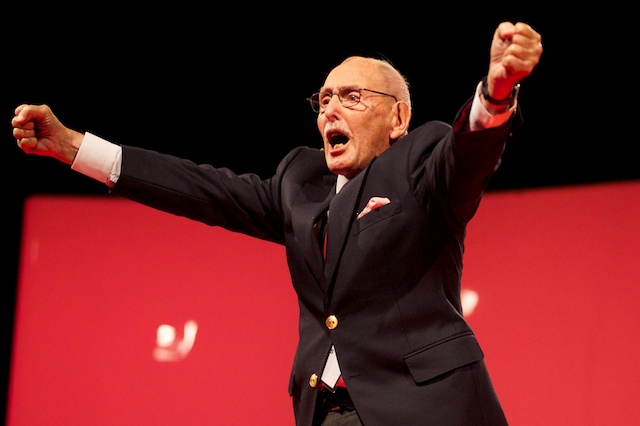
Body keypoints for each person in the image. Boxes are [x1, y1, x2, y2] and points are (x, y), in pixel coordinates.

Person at [11, 21, 542, 426]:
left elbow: (468, 154)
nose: (330, 110)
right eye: (324, 99)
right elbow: (202, 188)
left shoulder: (421, 161)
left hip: (426, 408)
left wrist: (495, 96)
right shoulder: (300, 183)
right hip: (327, 413)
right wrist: (75, 147)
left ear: (397, 118)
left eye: (351, 97)